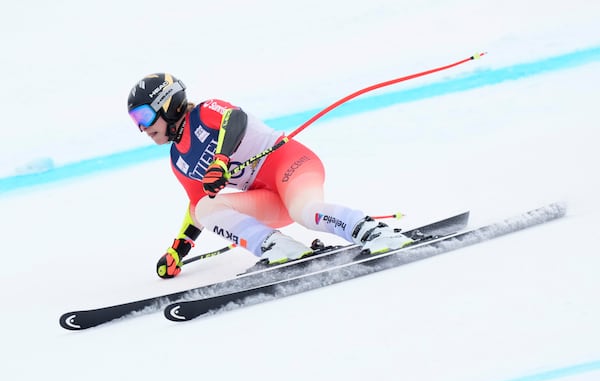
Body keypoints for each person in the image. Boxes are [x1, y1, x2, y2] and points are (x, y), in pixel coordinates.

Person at [127, 73, 413, 279]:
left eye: (143, 117)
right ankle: (279, 248)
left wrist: (221, 160)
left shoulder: (205, 112)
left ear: (167, 104)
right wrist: (179, 249)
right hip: (266, 197)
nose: (142, 128)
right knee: (204, 207)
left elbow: (235, 118)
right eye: (136, 122)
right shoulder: (178, 160)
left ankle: (374, 232)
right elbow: (198, 209)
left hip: (291, 165)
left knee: (305, 212)